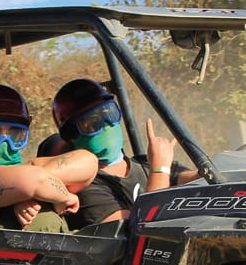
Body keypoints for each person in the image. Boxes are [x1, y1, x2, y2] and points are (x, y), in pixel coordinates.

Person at [0, 84, 98, 231]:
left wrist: (29, 190)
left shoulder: (28, 171)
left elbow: (88, 161)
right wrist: (64, 197)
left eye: (15, 134)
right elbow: (32, 180)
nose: (5, 142)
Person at [51, 78, 200, 229]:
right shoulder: (85, 188)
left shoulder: (145, 163)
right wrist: (160, 170)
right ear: (71, 134)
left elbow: (197, 181)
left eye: (109, 113)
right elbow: (144, 232)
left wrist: (207, 170)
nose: (107, 124)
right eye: (91, 122)